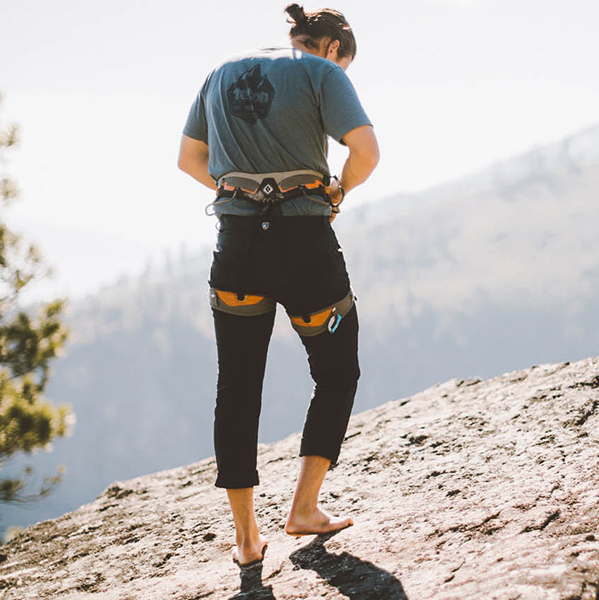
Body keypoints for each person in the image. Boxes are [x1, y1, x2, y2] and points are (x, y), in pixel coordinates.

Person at [177, 3, 379, 567]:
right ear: (334, 48)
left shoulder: (220, 72)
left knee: (237, 386)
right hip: (304, 247)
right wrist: (335, 192)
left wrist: (242, 189)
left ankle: (246, 541)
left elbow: (189, 158)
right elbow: (365, 153)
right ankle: (304, 508)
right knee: (337, 371)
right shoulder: (323, 72)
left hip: (236, 250)